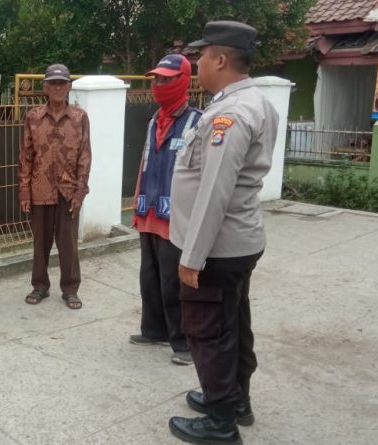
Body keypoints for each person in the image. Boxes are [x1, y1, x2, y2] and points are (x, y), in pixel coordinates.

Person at [167, 21, 279, 445]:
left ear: (219, 60)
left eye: (201, 55)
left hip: (217, 248)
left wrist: (191, 257)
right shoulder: (255, 102)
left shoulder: (228, 115)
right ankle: (235, 401)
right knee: (232, 323)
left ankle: (220, 422)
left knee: (208, 329)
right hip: (237, 242)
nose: (196, 63)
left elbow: (215, 191)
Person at [129, 54, 201, 366]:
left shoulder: (197, 123)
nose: (159, 85)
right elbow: (144, 163)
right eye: (157, 79)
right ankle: (154, 329)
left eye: (167, 79)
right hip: (149, 212)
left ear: (184, 81)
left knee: (175, 282)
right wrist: (137, 204)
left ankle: (184, 342)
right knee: (150, 277)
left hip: (177, 218)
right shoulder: (153, 122)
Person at [19, 64, 91, 310]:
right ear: (45, 87)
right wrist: (24, 190)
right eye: (53, 83)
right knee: (40, 243)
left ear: (69, 86)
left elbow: (85, 157)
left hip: (68, 192)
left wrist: (80, 191)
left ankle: (70, 289)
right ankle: (40, 286)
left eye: (62, 83)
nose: (57, 87)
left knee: (68, 244)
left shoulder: (80, 118)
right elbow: (26, 156)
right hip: (39, 190)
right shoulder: (33, 117)